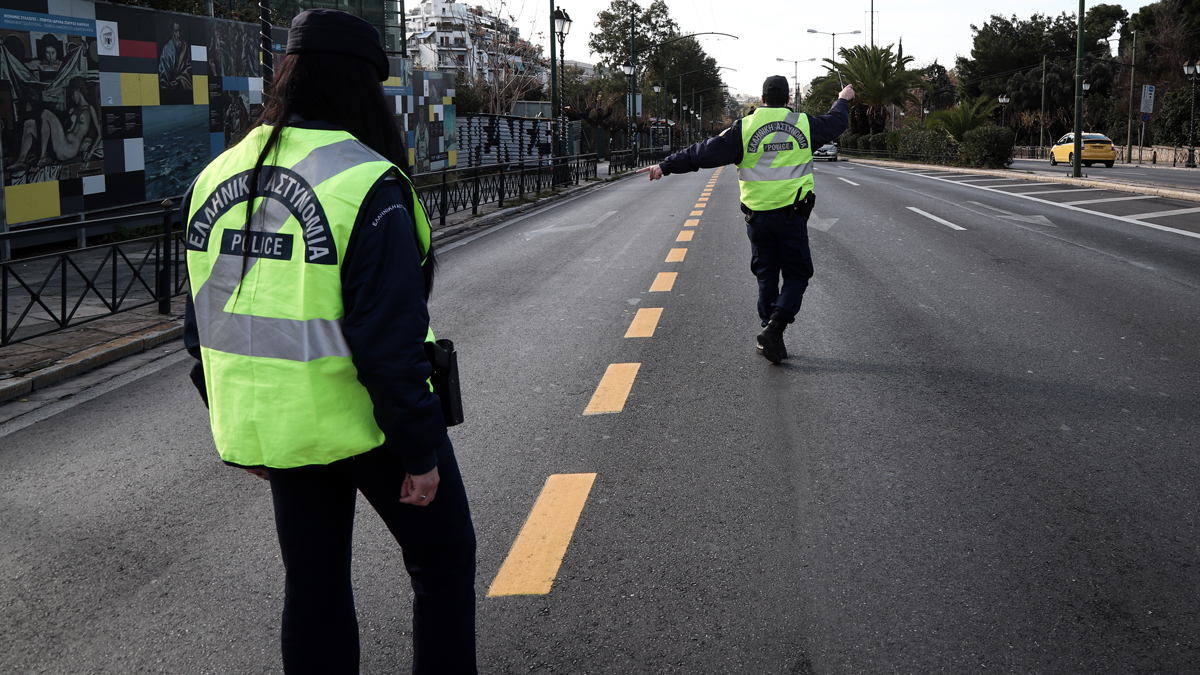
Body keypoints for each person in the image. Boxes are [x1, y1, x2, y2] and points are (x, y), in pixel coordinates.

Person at [181, 9, 476, 674]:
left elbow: (202, 331)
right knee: (444, 560)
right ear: (362, 88)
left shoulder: (213, 179)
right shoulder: (365, 181)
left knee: (313, 585)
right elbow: (390, 344)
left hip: (285, 431)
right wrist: (421, 450)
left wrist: (248, 430)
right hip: (370, 428)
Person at [638, 76, 854, 363]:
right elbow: (835, 123)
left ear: (762, 100)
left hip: (758, 219)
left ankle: (769, 332)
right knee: (797, 274)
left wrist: (665, 166)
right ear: (787, 99)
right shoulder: (802, 123)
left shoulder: (745, 128)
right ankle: (775, 329)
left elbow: (703, 152)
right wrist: (843, 99)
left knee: (766, 274)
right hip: (792, 217)